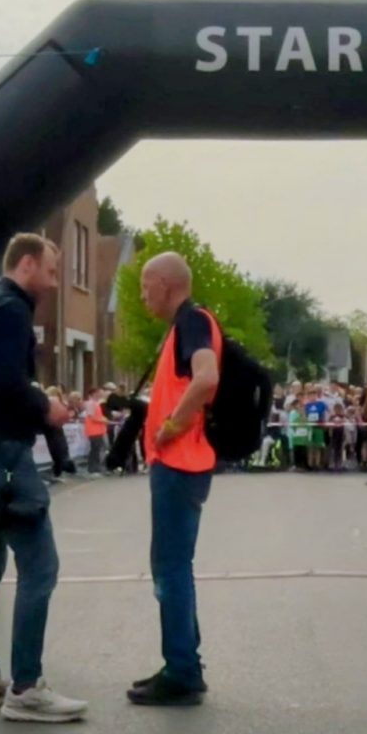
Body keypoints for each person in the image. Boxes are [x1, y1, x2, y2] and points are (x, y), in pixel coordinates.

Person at [0, 234, 85, 722]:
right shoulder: (10, 311)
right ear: (27, 264)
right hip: (7, 452)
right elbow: (6, 385)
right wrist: (45, 406)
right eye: (51, 271)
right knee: (40, 566)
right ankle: (27, 688)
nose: (53, 283)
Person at [131, 251, 223, 706]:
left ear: (167, 284)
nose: (142, 294)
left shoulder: (192, 321)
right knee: (174, 567)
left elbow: (206, 378)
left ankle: (182, 670)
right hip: (183, 462)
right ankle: (183, 664)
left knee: (170, 568)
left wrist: (170, 427)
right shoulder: (188, 324)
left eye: (146, 285)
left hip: (180, 462)